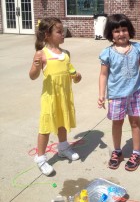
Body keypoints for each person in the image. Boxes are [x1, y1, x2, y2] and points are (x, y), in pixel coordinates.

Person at [29, 17, 82, 176]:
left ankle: (63, 147)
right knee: (45, 126)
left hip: (64, 95)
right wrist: (37, 67)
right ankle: (40, 157)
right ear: (47, 35)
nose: (63, 34)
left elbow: (71, 72)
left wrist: (77, 77)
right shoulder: (41, 54)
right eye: (59, 31)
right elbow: (32, 76)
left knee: (62, 122)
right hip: (50, 96)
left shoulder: (66, 54)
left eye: (62, 31)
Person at [98, 14, 140, 171]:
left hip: (135, 93)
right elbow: (103, 74)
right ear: (110, 34)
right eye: (116, 30)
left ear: (129, 31)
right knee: (117, 123)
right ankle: (117, 151)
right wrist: (101, 94)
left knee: (135, 122)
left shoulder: (137, 48)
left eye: (124, 30)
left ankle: (136, 153)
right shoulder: (108, 52)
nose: (121, 33)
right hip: (117, 94)